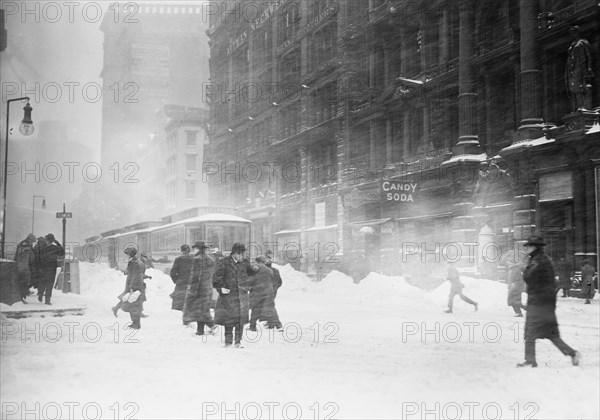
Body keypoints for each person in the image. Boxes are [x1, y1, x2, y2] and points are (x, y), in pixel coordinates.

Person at [517, 236, 580, 368]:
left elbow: (528, 277)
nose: (526, 248)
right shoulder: (543, 259)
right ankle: (572, 353)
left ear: (534, 247)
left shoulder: (537, 261)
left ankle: (530, 361)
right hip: (546, 303)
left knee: (530, 332)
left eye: (528, 246)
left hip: (538, 303)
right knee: (551, 334)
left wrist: (523, 268)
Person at [212, 243, 258, 348]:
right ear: (234, 253)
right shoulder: (224, 263)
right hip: (228, 296)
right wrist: (220, 288)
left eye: (243, 254)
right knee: (228, 320)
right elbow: (216, 278)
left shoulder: (245, 263)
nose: (242, 256)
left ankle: (238, 342)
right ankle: (228, 342)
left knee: (240, 320)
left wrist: (255, 269)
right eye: (240, 254)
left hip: (241, 296)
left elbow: (252, 274)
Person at [182, 241, 218, 336]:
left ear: (197, 248)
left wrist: (192, 290)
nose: (193, 250)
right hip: (208, 287)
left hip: (200, 288)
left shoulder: (197, 259)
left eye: (194, 248)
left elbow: (195, 276)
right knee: (202, 309)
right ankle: (200, 330)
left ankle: (211, 325)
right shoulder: (210, 259)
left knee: (200, 309)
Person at [248, 255, 282, 331]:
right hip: (268, 291)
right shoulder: (269, 270)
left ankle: (252, 326)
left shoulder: (255, 268)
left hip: (257, 291)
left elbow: (250, 279)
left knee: (256, 308)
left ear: (257, 261)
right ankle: (279, 326)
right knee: (270, 308)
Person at [565, 25, 594, 111]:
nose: (572, 34)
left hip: (580, 66)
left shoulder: (582, 42)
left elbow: (588, 55)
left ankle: (584, 106)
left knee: (582, 86)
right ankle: (578, 107)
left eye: (574, 32)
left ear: (578, 32)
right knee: (574, 87)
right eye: (570, 33)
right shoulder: (572, 45)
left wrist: (589, 67)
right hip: (572, 68)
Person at [117, 246, 145, 329]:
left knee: (134, 306)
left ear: (129, 254)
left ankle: (136, 324)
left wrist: (132, 287)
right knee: (133, 305)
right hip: (134, 285)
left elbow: (136, 275)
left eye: (126, 254)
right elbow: (133, 272)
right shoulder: (134, 261)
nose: (126, 256)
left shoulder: (134, 262)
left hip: (134, 286)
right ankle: (135, 323)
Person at [35, 233, 65, 305]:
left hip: (46, 269)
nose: (49, 241)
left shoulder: (45, 248)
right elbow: (62, 252)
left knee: (46, 284)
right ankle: (44, 297)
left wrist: (57, 243)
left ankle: (44, 297)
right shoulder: (51, 248)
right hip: (48, 269)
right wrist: (57, 243)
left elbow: (62, 252)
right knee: (46, 284)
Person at [501, 249, 527, 317]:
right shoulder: (510, 266)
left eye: (510, 256)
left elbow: (524, 270)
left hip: (517, 284)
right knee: (511, 300)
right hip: (513, 285)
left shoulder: (517, 265)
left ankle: (525, 310)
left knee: (515, 299)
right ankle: (520, 311)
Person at [169, 244, 194, 314]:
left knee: (179, 303)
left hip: (181, 283)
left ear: (182, 251)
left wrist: (177, 280)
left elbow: (173, 273)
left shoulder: (178, 259)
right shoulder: (194, 259)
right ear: (189, 251)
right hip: (191, 282)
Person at [13, 234, 37, 303]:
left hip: (23, 266)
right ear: (29, 239)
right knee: (23, 282)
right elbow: (29, 255)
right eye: (32, 241)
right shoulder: (25, 244)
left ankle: (23, 295)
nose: (32, 243)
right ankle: (21, 298)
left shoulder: (26, 244)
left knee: (24, 281)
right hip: (22, 267)